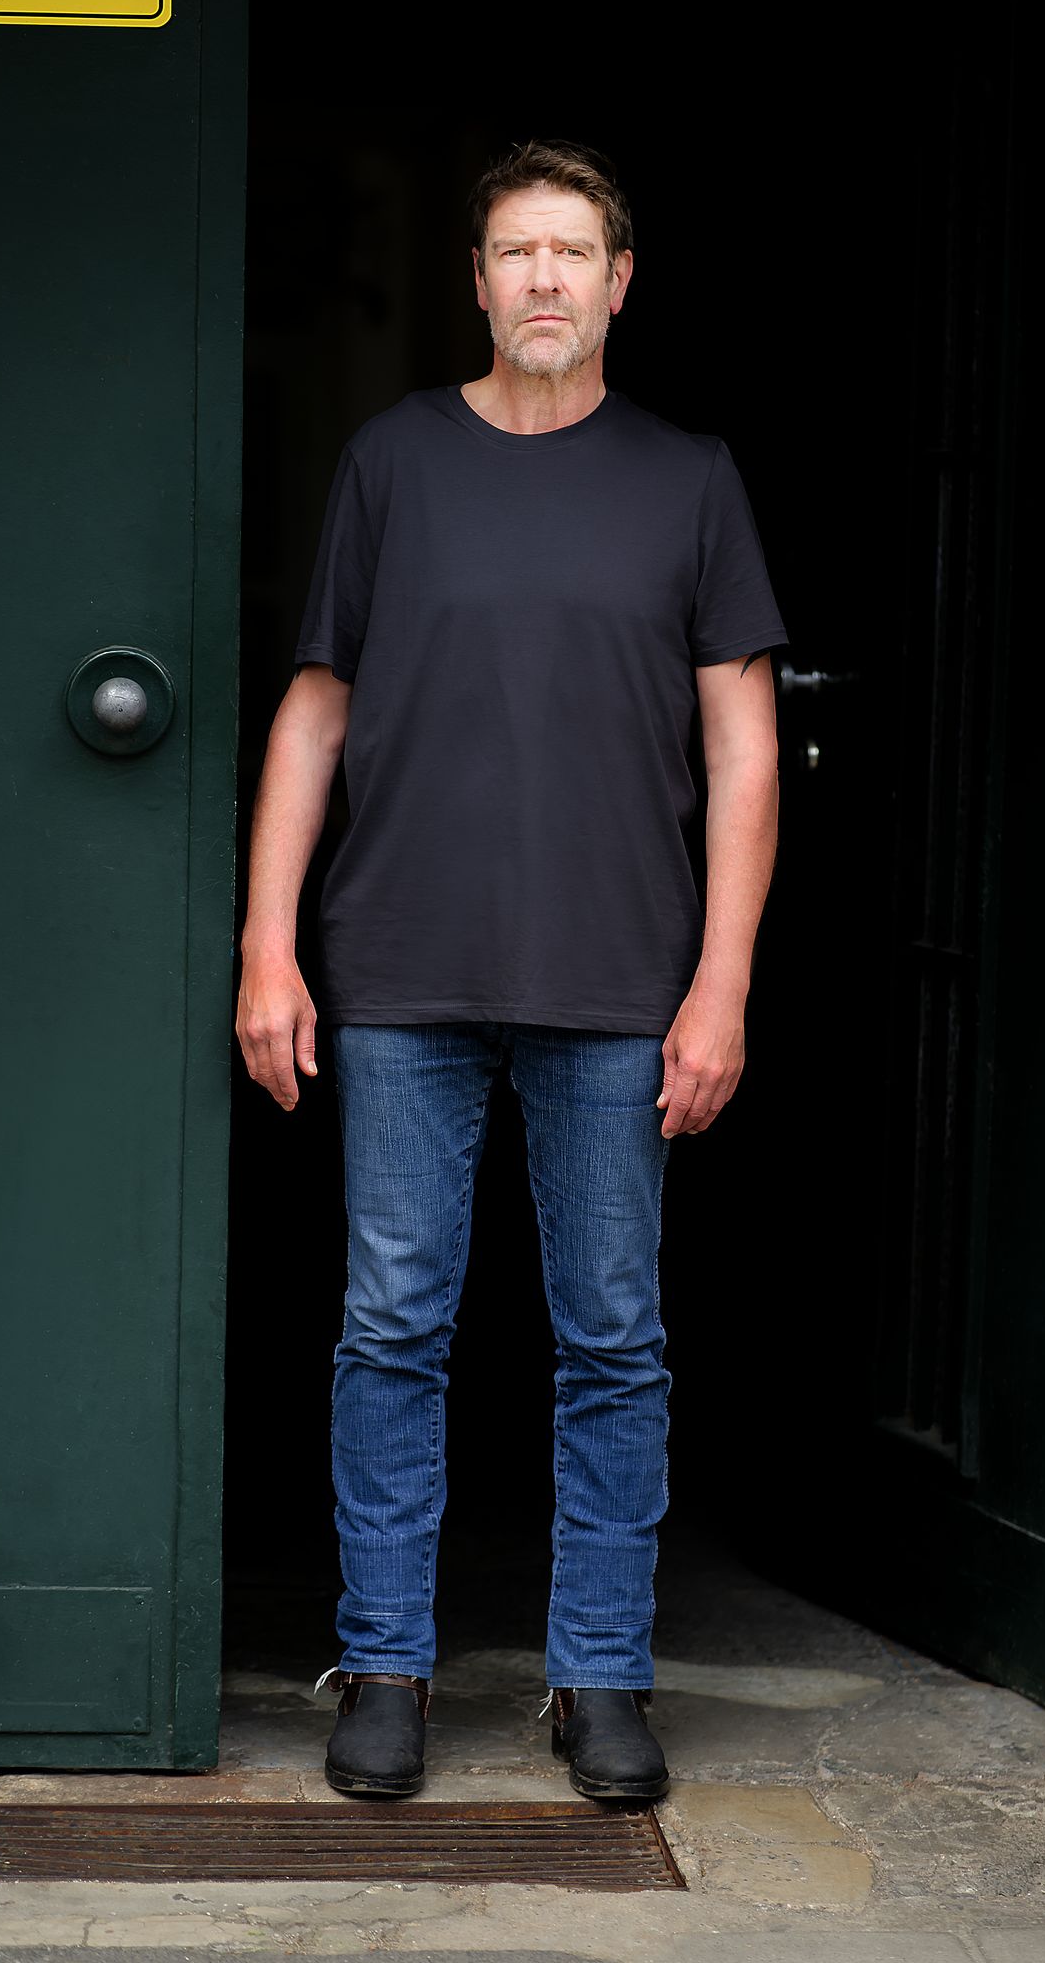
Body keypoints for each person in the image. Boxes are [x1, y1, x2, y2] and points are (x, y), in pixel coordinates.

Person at [235, 139, 787, 1803]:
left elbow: (744, 751)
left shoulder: (690, 480)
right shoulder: (393, 463)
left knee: (611, 1337)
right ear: (475, 282)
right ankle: (384, 1667)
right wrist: (269, 946)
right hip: (401, 967)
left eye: (573, 252)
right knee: (391, 1325)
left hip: (619, 982)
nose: (545, 278)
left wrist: (723, 983)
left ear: (621, 283)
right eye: (515, 252)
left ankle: (600, 1676)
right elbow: (316, 711)